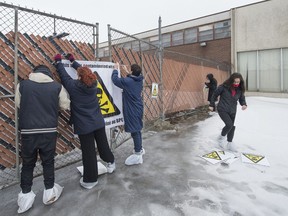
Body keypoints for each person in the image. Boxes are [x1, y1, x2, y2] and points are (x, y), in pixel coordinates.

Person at [53, 53, 115, 189]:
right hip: (98, 122)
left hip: (84, 125)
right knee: (103, 145)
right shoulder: (94, 83)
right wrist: (73, 61)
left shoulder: (73, 86)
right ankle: (111, 163)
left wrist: (58, 62)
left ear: (79, 76)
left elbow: (63, 76)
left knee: (89, 153)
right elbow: (84, 71)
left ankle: (90, 180)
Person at [15, 65, 70, 213]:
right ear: (49, 74)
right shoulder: (57, 87)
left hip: (27, 132)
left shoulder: (23, 85)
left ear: (33, 73)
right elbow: (65, 105)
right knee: (48, 162)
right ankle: (49, 193)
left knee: (27, 164)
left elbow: (19, 104)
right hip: (48, 130)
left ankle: (25, 197)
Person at [111, 63, 145, 166]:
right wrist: (126, 71)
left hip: (132, 109)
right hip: (138, 107)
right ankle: (139, 149)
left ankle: (138, 154)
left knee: (134, 131)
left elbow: (115, 80)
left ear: (132, 72)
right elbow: (131, 78)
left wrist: (116, 69)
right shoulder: (139, 80)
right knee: (137, 129)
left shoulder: (128, 82)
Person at [208, 72, 247, 152]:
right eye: (235, 82)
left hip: (232, 110)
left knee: (232, 126)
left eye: (238, 82)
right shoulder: (223, 87)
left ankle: (229, 143)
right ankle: (220, 138)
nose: (236, 83)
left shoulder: (239, 90)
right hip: (222, 109)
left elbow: (242, 98)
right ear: (231, 80)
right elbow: (214, 95)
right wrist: (212, 104)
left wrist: (244, 104)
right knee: (229, 124)